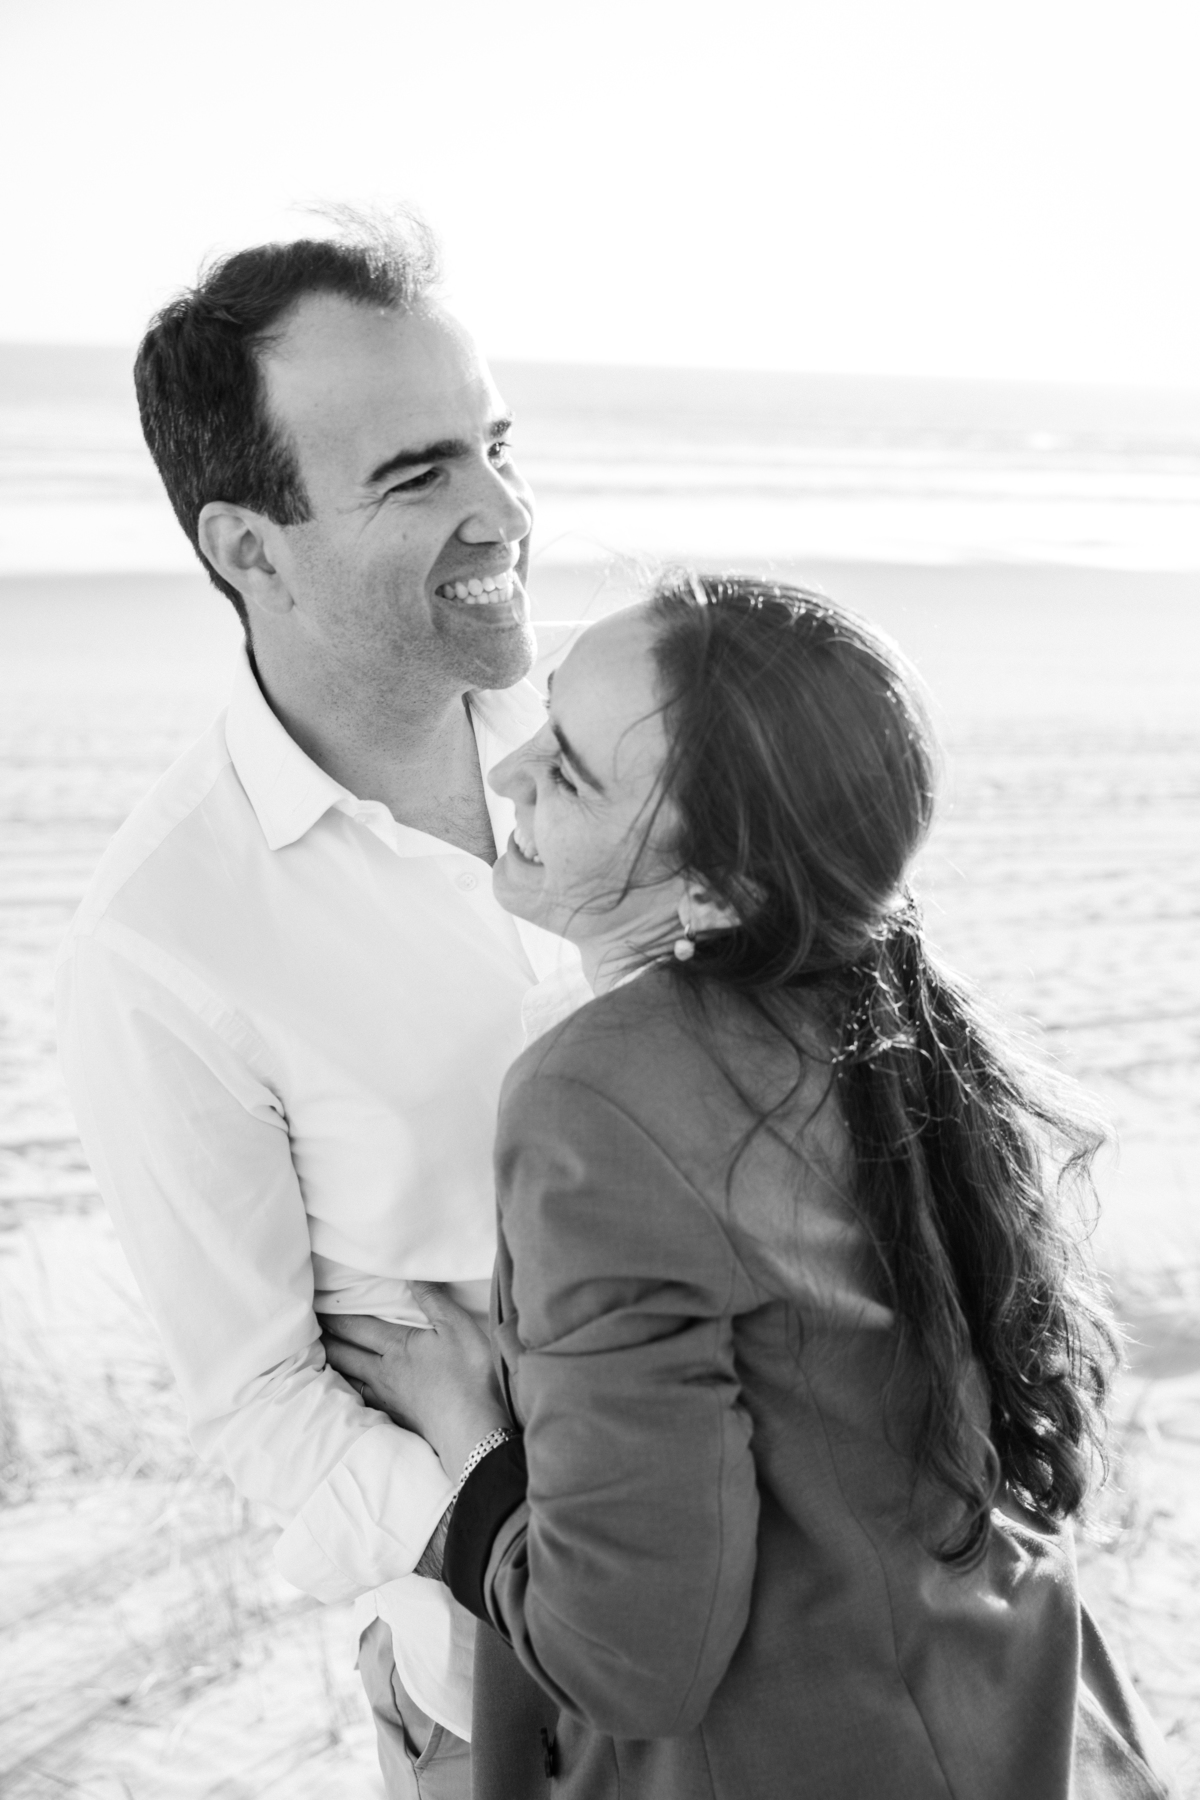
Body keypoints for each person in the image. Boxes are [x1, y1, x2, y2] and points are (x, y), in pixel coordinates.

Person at [324, 575, 1178, 1799]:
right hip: (1018, 1716)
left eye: (573, 772)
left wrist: (470, 1443)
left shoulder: (603, 1092)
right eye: (547, 718)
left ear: (717, 891)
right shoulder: (883, 1005)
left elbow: (627, 1662)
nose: (509, 773)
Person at [56, 213, 585, 1799]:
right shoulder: (165, 940)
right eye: (418, 476)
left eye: (496, 446)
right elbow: (265, 1410)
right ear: (249, 548)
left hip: (836, 1604)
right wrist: (515, 1525)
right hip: (520, 1703)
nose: (504, 511)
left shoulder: (628, 730)